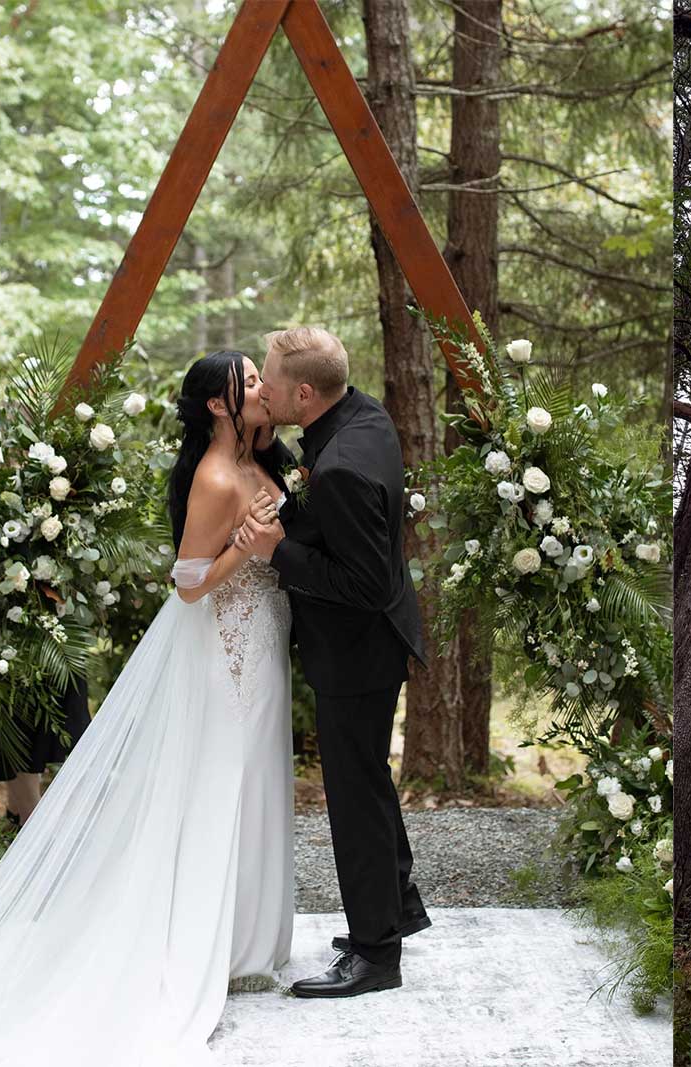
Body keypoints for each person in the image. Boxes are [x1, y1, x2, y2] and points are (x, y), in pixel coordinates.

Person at [0, 350, 298, 1065]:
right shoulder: (216, 475)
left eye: (260, 376)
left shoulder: (256, 456)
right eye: (249, 380)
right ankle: (196, 937)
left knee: (252, 780)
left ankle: (243, 938)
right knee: (217, 786)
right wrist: (253, 549)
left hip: (258, 639)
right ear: (219, 404)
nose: (260, 387)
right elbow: (189, 582)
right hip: (223, 646)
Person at [235, 325, 431, 999]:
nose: (261, 386)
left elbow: (364, 584)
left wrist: (275, 553)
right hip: (371, 645)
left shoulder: (342, 463)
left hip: (357, 653)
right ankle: (393, 913)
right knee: (369, 782)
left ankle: (377, 955)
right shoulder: (359, 414)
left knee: (354, 798)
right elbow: (333, 521)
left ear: (306, 392)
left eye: (270, 380)